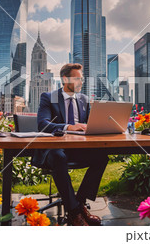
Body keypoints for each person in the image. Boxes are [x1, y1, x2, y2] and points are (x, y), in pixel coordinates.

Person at [33, 63, 109, 226]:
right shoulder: (49, 97)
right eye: (77, 79)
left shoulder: (84, 100)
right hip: (54, 149)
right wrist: (68, 127)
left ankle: (78, 204)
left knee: (102, 156)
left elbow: (90, 124)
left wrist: (98, 126)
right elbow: (42, 124)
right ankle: (75, 213)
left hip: (78, 149)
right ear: (65, 79)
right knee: (58, 157)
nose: (81, 82)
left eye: (81, 79)